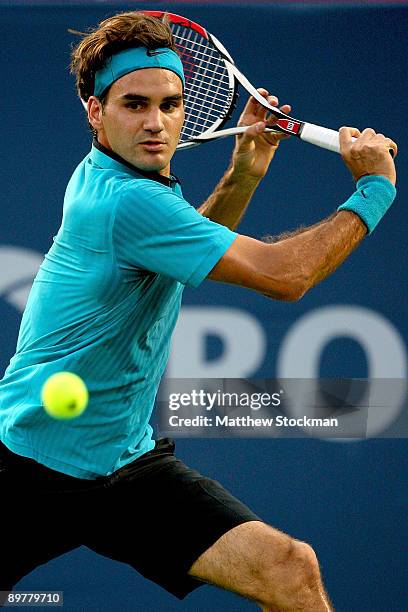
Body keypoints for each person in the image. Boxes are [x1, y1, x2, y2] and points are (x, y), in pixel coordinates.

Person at [0, 11, 397, 612]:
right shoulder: (126, 201)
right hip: (28, 468)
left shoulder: (132, 181)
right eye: (134, 104)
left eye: (170, 103)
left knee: (291, 572)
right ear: (95, 112)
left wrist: (243, 171)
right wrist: (374, 189)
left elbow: (185, 252)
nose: (156, 123)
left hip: (123, 465)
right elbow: (283, 276)